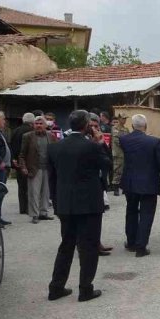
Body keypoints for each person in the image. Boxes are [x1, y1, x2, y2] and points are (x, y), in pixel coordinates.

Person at [47, 110, 112, 302]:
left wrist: (57, 203)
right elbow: (106, 165)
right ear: (86, 126)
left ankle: (56, 287)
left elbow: (52, 180)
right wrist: (101, 143)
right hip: (89, 205)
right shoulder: (91, 147)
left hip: (65, 205)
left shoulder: (55, 147)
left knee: (66, 246)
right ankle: (85, 289)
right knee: (88, 247)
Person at [119, 114, 160, 258]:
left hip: (130, 182)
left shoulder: (124, 140)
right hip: (148, 182)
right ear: (145, 126)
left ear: (132, 126)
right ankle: (141, 246)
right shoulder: (154, 141)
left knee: (131, 211)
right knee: (146, 214)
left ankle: (131, 242)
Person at [18, 116, 57, 224]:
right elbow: (22, 154)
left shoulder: (51, 136)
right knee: (34, 193)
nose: (39, 125)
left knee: (46, 192)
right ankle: (34, 215)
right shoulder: (27, 136)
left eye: (41, 123)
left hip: (47, 168)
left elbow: (55, 152)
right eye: (37, 123)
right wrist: (23, 167)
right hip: (34, 168)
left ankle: (43, 213)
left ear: (45, 125)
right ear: (33, 125)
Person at [10, 113, 35, 215]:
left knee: (21, 186)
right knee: (29, 185)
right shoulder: (31, 132)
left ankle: (22, 208)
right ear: (32, 122)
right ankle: (29, 207)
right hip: (27, 162)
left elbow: (12, 146)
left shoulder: (15, 130)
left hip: (17, 162)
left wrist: (14, 159)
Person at [111, 114, 129, 196]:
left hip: (125, 153)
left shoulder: (126, 129)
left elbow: (129, 138)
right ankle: (115, 188)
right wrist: (126, 145)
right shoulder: (115, 128)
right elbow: (116, 140)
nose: (125, 120)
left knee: (125, 170)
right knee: (117, 170)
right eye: (123, 118)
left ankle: (123, 186)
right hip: (118, 153)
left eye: (125, 118)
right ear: (119, 119)